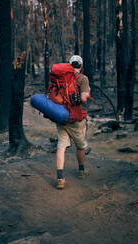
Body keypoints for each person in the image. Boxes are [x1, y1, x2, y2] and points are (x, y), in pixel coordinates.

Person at [56, 55, 91, 189]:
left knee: (61, 146)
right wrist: (87, 93)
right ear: (81, 65)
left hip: (60, 116)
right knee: (80, 145)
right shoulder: (83, 78)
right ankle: (82, 171)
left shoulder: (61, 78)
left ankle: (60, 178)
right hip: (76, 118)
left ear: (70, 65)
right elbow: (83, 99)